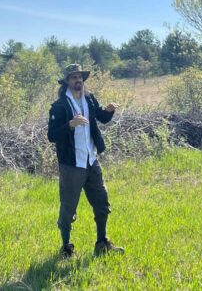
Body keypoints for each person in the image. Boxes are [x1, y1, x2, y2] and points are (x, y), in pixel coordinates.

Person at [47, 64, 124, 258]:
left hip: (91, 161)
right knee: (68, 208)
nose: (77, 80)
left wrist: (109, 111)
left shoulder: (89, 99)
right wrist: (70, 125)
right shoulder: (59, 106)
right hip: (72, 165)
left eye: (80, 76)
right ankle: (66, 248)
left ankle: (102, 243)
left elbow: (102, 118)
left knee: (102, 203)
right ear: (67, 81)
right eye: (73, 77)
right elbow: (52, 135)